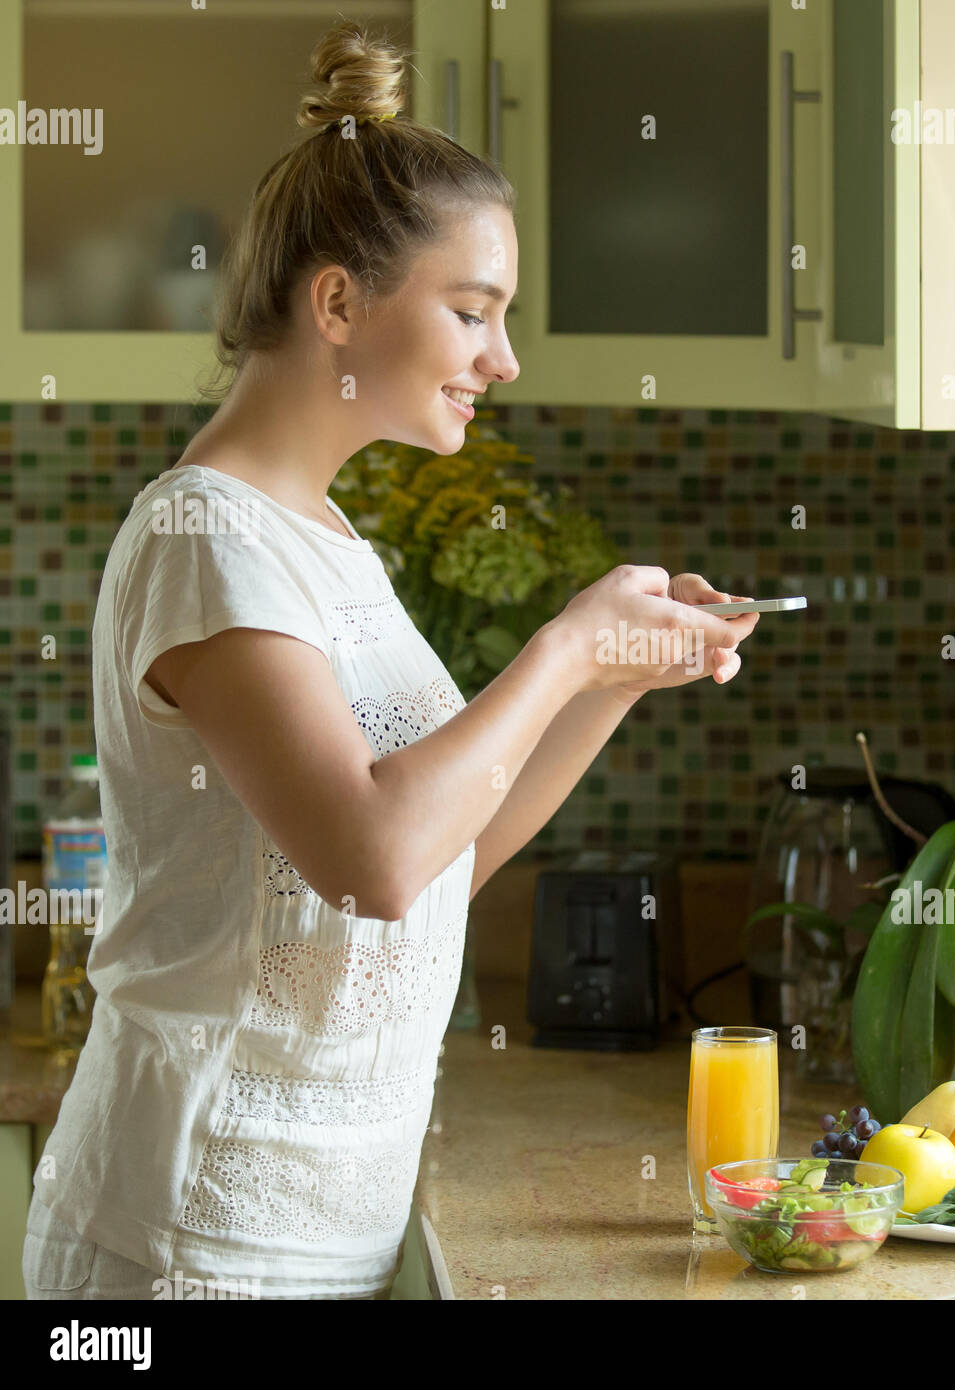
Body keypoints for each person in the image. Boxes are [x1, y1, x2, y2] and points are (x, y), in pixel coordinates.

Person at [23, 19, 758, 1301]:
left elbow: (442, 862)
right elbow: (370, 857)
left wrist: (609, 678)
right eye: (471, 312)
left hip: (328, 1232)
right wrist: (562, 641)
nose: (503, 359)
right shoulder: (206, 538)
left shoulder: (323, 542)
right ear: (339, 303)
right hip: (181, 1246)